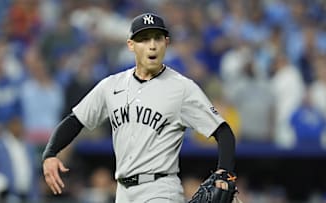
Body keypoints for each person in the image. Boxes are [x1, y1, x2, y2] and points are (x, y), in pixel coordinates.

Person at [42, 13, 237, 203]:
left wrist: (225, 171)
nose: (152, 46)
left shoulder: (182, 88)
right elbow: (75, 120)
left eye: (157, 39)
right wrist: (50, 153)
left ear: (166, 43)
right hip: (123, 191)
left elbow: (223, 132)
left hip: (160, 188)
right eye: (144, 39)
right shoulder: (111, 85)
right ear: (131, 45)